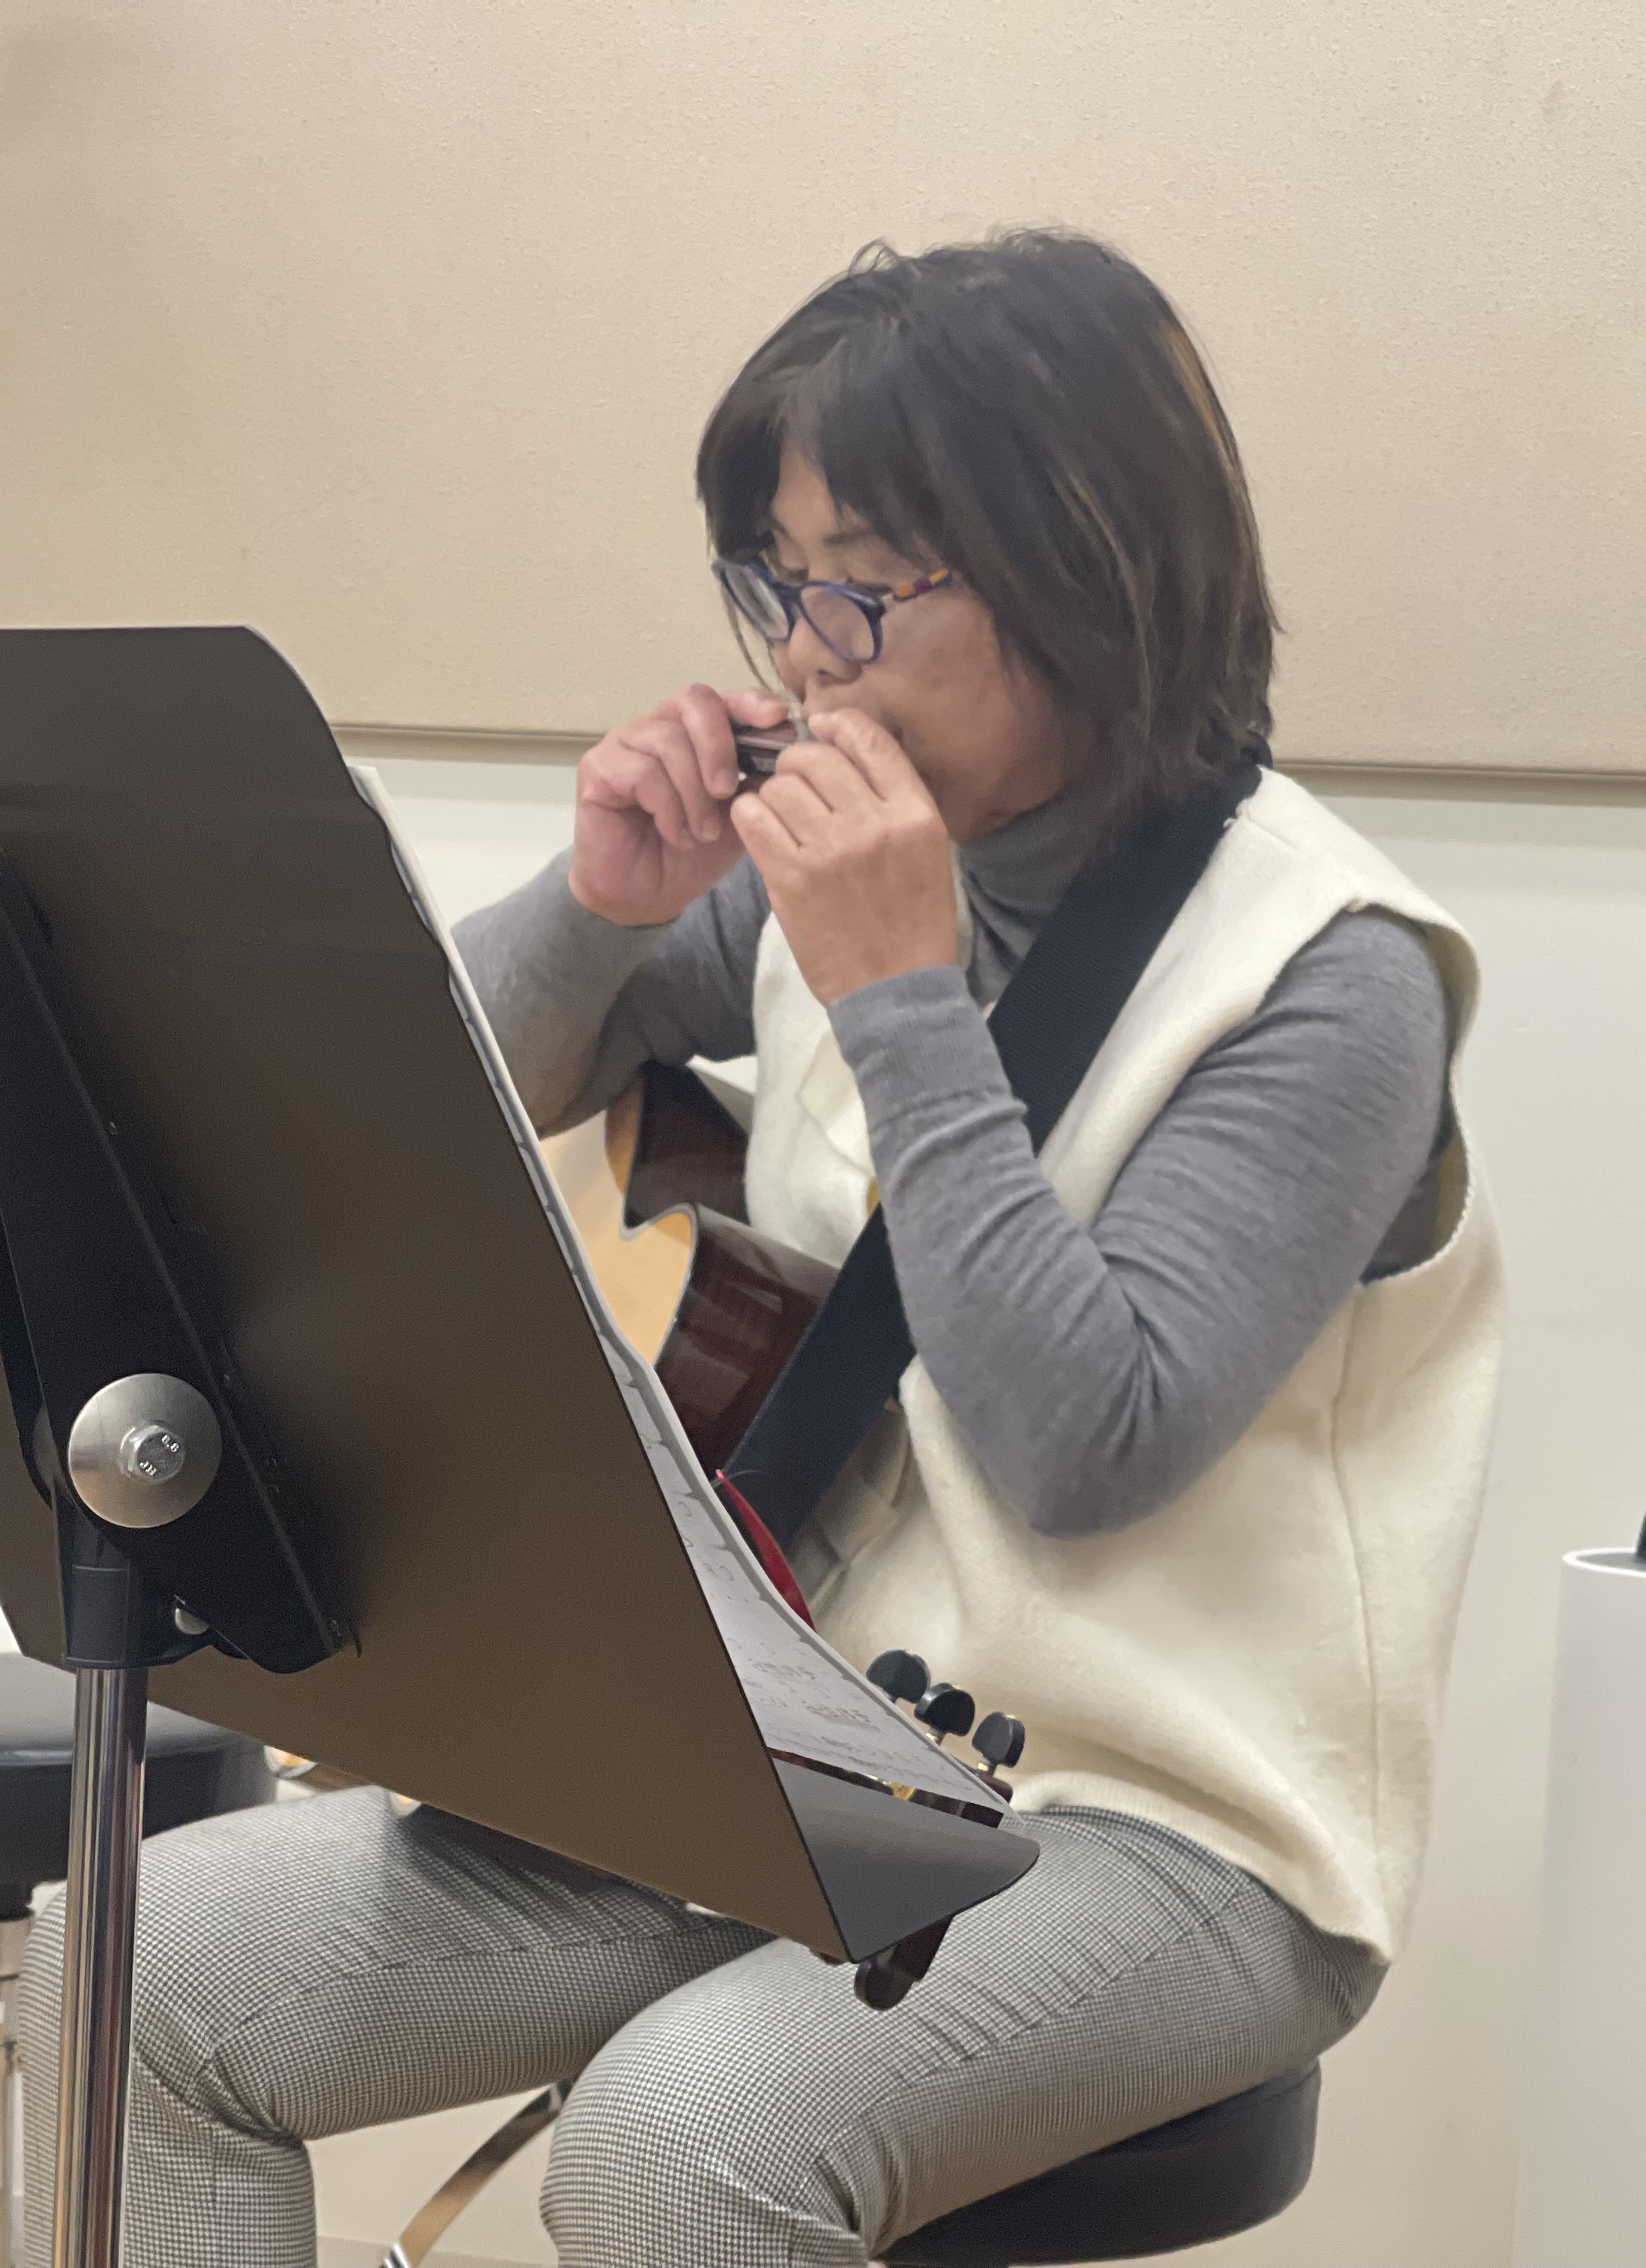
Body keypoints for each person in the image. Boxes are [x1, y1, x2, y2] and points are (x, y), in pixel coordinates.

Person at [15, 231, 1502, 2267]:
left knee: (680, 2139)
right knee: (131, 1966)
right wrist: (606, 905)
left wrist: (898, 998)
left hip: (1168, 1825)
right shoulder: (838, 858)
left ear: (1094, 572)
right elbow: (439, 1110)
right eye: (777, 582)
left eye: (867, 585)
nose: (807, 656)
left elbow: (1085, 1449)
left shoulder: (1329, 981)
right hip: (804, 1757)